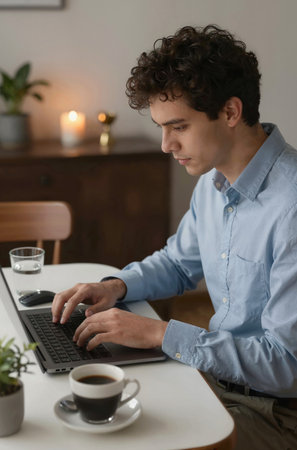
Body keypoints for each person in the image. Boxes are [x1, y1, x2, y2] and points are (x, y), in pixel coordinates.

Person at [52, 25, 297, 449]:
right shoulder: (214, 180)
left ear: (231, 112)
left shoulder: (291, 205)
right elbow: (179, 262)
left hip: (277, 414)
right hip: (219, 384)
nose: (166, 144)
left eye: (178, 126)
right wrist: (116, 285)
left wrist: (160, 334)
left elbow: (287, 365)